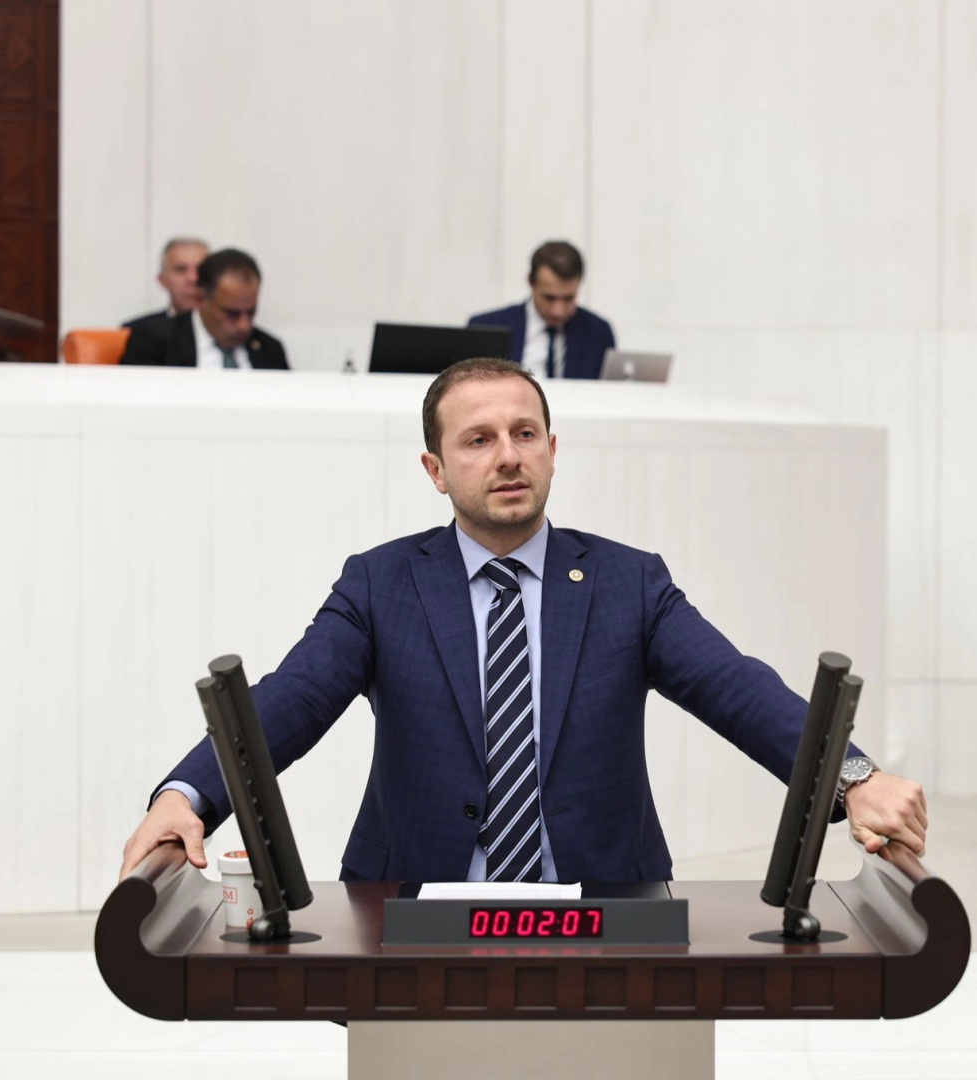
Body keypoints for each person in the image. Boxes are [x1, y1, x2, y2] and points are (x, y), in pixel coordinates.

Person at [119, 359, 926, 883]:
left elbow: (737, 689)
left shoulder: (627, 583)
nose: (507, 455)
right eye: (478, 440)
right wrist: (187, 795)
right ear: (436, 470)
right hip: (414, 908)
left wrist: (852, 776)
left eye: (524, 434)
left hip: (601, 907)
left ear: (550, 449)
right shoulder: (382, 585)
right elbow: (287, 701)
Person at [119, 248, 289, 370]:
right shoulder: (155, 341)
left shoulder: (270, 349)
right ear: (200, 298)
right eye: (231, 314)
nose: (244, 325)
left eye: (251, 312)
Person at [468, 241, 616, 379]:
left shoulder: (598, 333)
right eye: (549, 298)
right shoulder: (486, 328)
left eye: (568, 298)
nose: (558, 311)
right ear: (531, 282)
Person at [120, 237, 208, 349]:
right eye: (181, 269)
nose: (193, 278)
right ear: (162, 280)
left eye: (201, 270)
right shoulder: (136, 332)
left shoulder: (228, 332)